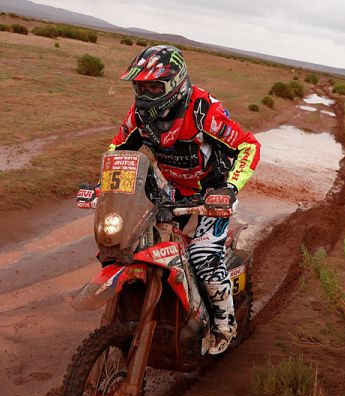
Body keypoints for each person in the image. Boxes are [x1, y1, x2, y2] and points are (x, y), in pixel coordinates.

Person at [79, 45, 260, 355]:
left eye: (153, 87)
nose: (145, 95)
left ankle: (223, 325)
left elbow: (248, 146)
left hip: (211, 194)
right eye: (140, 87)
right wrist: (103, 186)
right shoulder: (139, 115)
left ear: (174, 84)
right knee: (132, 243)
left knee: (203, 257)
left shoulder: (203, 111)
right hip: (171, 190)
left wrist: (230, 187)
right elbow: (117, 151)